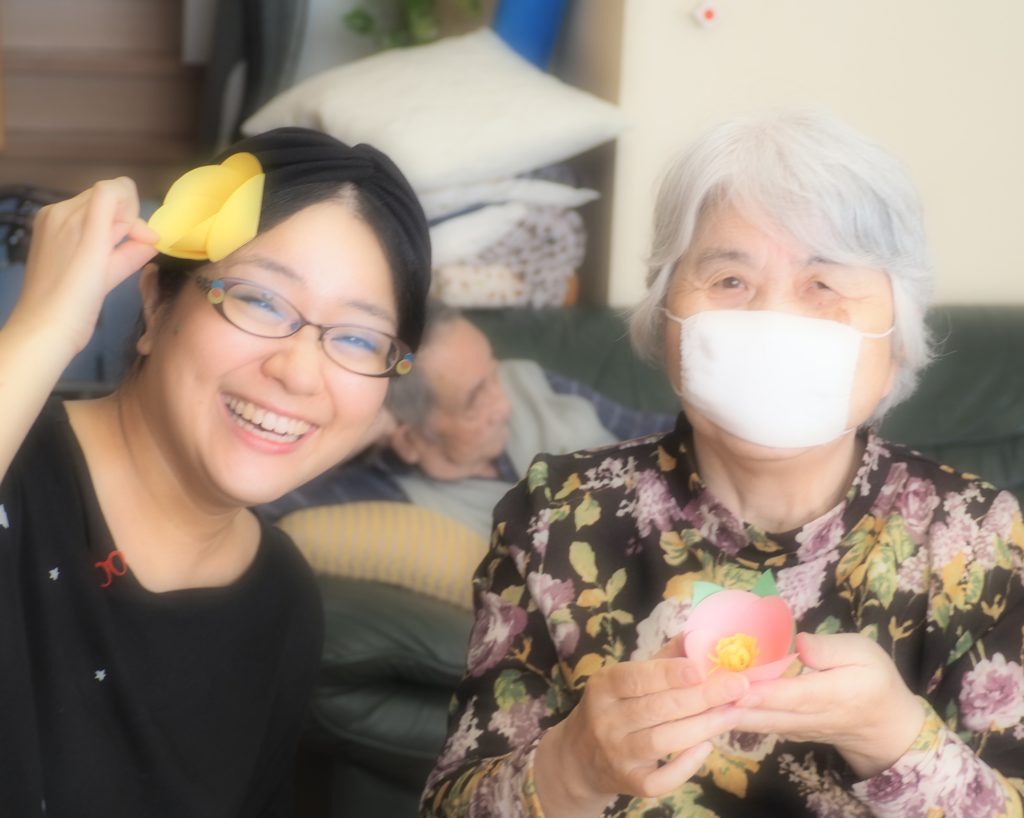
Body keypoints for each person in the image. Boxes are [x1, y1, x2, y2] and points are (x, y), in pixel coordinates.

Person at [420, 110, 1024, 818]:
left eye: (823, 285)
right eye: (730, 280)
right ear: (666, 319)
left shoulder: (976, 537)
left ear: (896, 344)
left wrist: (894, 737)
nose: (773, 321)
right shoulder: (556, 515)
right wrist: (574, 767)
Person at [0, 127, 430, 815]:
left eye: (358, 338)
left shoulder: (282, 598)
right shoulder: (15, 467)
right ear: (156, 302)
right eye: (260, 299)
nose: (298, 373)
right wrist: (44, 328)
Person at [260, 299, 675, 540]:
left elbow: (659, 434)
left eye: (492, 371)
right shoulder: (389, 497)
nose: (504, 404)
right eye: (475, 399)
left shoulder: (525, 379)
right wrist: (368, 424)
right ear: (408, 439)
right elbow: (257, 505)